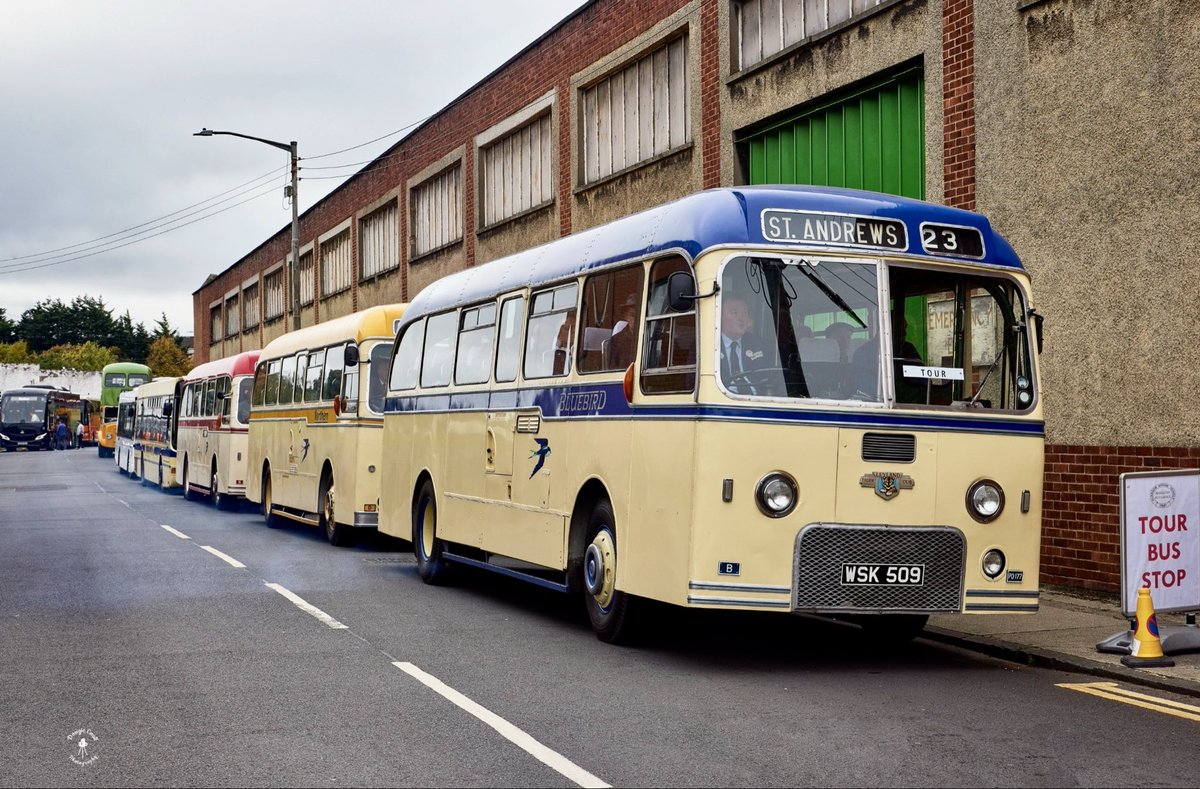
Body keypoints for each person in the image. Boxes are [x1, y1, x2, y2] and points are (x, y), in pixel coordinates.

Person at [719, 295, 768, 393]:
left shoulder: (757, 344)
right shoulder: (708, 345)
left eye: (745, 312)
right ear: (721, 317)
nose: (741, 318)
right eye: (734, 312)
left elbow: (766, 378)